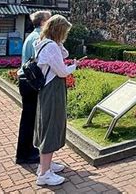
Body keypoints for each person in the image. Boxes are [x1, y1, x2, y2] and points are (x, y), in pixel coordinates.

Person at [34, 15, 78, 186]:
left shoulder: (45, 42)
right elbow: (62, 71)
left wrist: (59, 43)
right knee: (51, 126)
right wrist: (74, 66)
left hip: (47, 89)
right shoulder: (51, 46)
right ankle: (44, 174)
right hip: (53, 89)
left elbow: (63, 53)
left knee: (46, 125)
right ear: (59, 30)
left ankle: (45, 165)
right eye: (64, 32)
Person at [16, 11, 51, 164]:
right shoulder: (39, 38)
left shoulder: (31, 36)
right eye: (49, 20)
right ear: (43, 22)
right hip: (31, 82)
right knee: (30, 120)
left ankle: (27, 151)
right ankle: (25, 154)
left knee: (28, 119)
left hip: (25, 81)